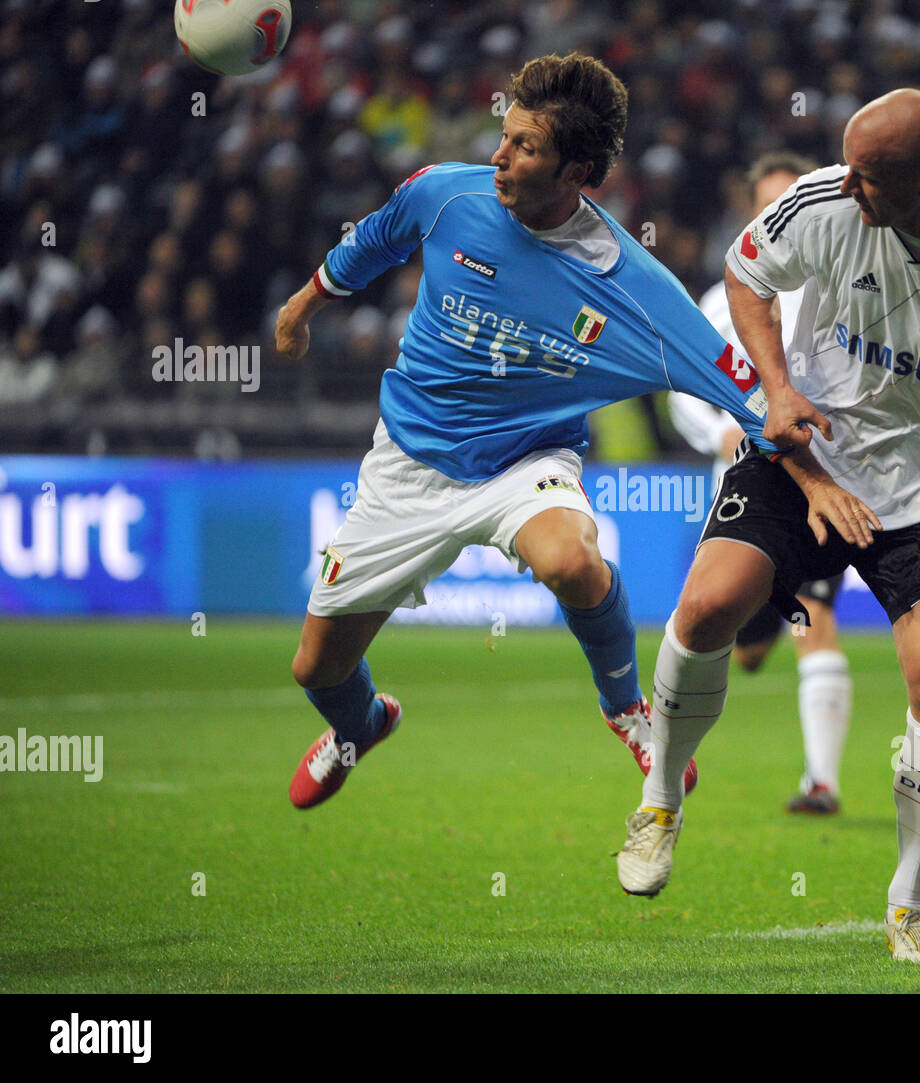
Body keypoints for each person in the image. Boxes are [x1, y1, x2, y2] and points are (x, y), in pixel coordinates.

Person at [614, 88, 920, 964]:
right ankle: (661, 797)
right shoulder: (821, 201)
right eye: (846, 164)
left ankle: (910, 902)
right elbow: (744, 276)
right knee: (706, 610)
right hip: (809, 455)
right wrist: (777, 388)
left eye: (871, 175)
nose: (848, 186)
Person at [274, 53, 788, 811]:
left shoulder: (634, 288)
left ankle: (627, 710)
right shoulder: (448, 197)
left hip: (526, 464)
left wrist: (809, 458)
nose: (500, 157)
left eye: (524, 147)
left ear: (579, 170)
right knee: (315, 669)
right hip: (408, 465)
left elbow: (743, 387)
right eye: (504, 135)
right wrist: (303, 304)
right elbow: (377, 238)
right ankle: (362, 724)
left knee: (574, 562)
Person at [668, 152, 853, 815]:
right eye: (769, 204)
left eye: (792, 202)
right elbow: (682, 384)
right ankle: (669, 751)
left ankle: (822, 782)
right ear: (754, 213)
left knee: (815, 616)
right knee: (734, 643)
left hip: (820, 483)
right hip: (743, 489)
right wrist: (717, 433)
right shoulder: (722, 301)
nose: (782, 217)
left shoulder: (841, 289)